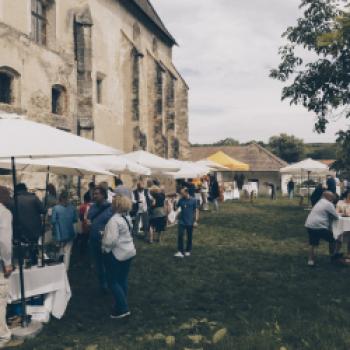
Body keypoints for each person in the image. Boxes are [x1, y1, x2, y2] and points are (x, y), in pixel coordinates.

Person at [102, 195, 136, 319]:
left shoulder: (114, 220)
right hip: (128, 252)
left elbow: (110, 241)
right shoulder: (126, 217)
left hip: (117, 254)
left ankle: (123, 308)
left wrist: (103, 240)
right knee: (122, 280)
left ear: (115, 205)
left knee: (113, 281)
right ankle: (120, 303)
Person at [87, 186, 113, 293]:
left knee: (108, 264)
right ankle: (103, 285)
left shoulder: (111, 208)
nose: (94, 196)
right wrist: (89, 223)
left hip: (105, 242)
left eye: (97, 194)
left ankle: (111, 283)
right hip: (94, 240)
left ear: (103, 195)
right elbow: (89, 218)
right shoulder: (92, 207)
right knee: (98, 264)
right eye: (94, 194)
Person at [12, 183, 45, 264]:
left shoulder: (14, 200)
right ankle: (34, 264)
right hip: (34, 230)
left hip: (20, 231)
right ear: (25, 189)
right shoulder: (34, 198)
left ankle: (24, 266)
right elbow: (43, 210)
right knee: (33, 250)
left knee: (22, 251)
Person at [305, 191, 340, 266]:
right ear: (329, 197)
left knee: (313, 244)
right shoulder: (329, 204)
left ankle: (311, 261)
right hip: (319, 226)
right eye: (332, 197)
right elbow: (336, 217)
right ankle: (333, 256)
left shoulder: (320, 201)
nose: (333, 199)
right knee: (333, 239)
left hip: (309, 225)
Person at [0, 186, 13, 347]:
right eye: (8, 195)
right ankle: (2, 335)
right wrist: (8, 263)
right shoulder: (4, 213)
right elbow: (3, 241)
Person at [51, 191, 77, 271]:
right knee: (67, 252)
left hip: (59, 233)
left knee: (59, 250)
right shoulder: (72, 208)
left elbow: (53, 221)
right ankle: (65, 270)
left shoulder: (55, 208)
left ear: (60, 198)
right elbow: (75, 220)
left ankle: (57, 268)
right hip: (70, 233)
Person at [174, 187, 199, 258]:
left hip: (190, 221)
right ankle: (180, 251)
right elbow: (175, 208)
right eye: (181, 193)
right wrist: (175, 202)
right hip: (182, 221)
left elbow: (196, 211)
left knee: (189, 236)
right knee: (180, 235)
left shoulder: (193, 200)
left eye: (182, 193)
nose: (181, 194)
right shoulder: (181, 200)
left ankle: (188, 250)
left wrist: (195, 221)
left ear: (186, 192)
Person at [335, 190, 350, 256]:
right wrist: (342, 213)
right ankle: (336, 252)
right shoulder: (340, 202)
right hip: (341, 222)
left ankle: (349, 254)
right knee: (339, 237)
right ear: (346, 195)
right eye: (349, 195)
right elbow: (336, 212)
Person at [77, 193, 92, 257]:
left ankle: (82, 254)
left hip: (84, 225)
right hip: (91, 225)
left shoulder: (82, 206)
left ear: (84, 199)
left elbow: (80, 217)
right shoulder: (93, 206)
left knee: (84, 240)